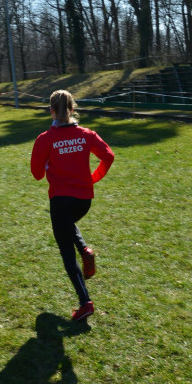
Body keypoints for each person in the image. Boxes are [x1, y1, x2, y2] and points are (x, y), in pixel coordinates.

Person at [30, 90, 114, 322]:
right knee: (68, 225)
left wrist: (48, 161)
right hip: (83, 201)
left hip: (60, 200)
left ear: (51, 110)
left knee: (67, 252)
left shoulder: (45, 138)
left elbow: (37, 174)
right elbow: (108, 156)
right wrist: (92, 179)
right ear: (73, 109)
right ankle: (85, 249)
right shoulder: (87, 134)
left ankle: (85, 303)